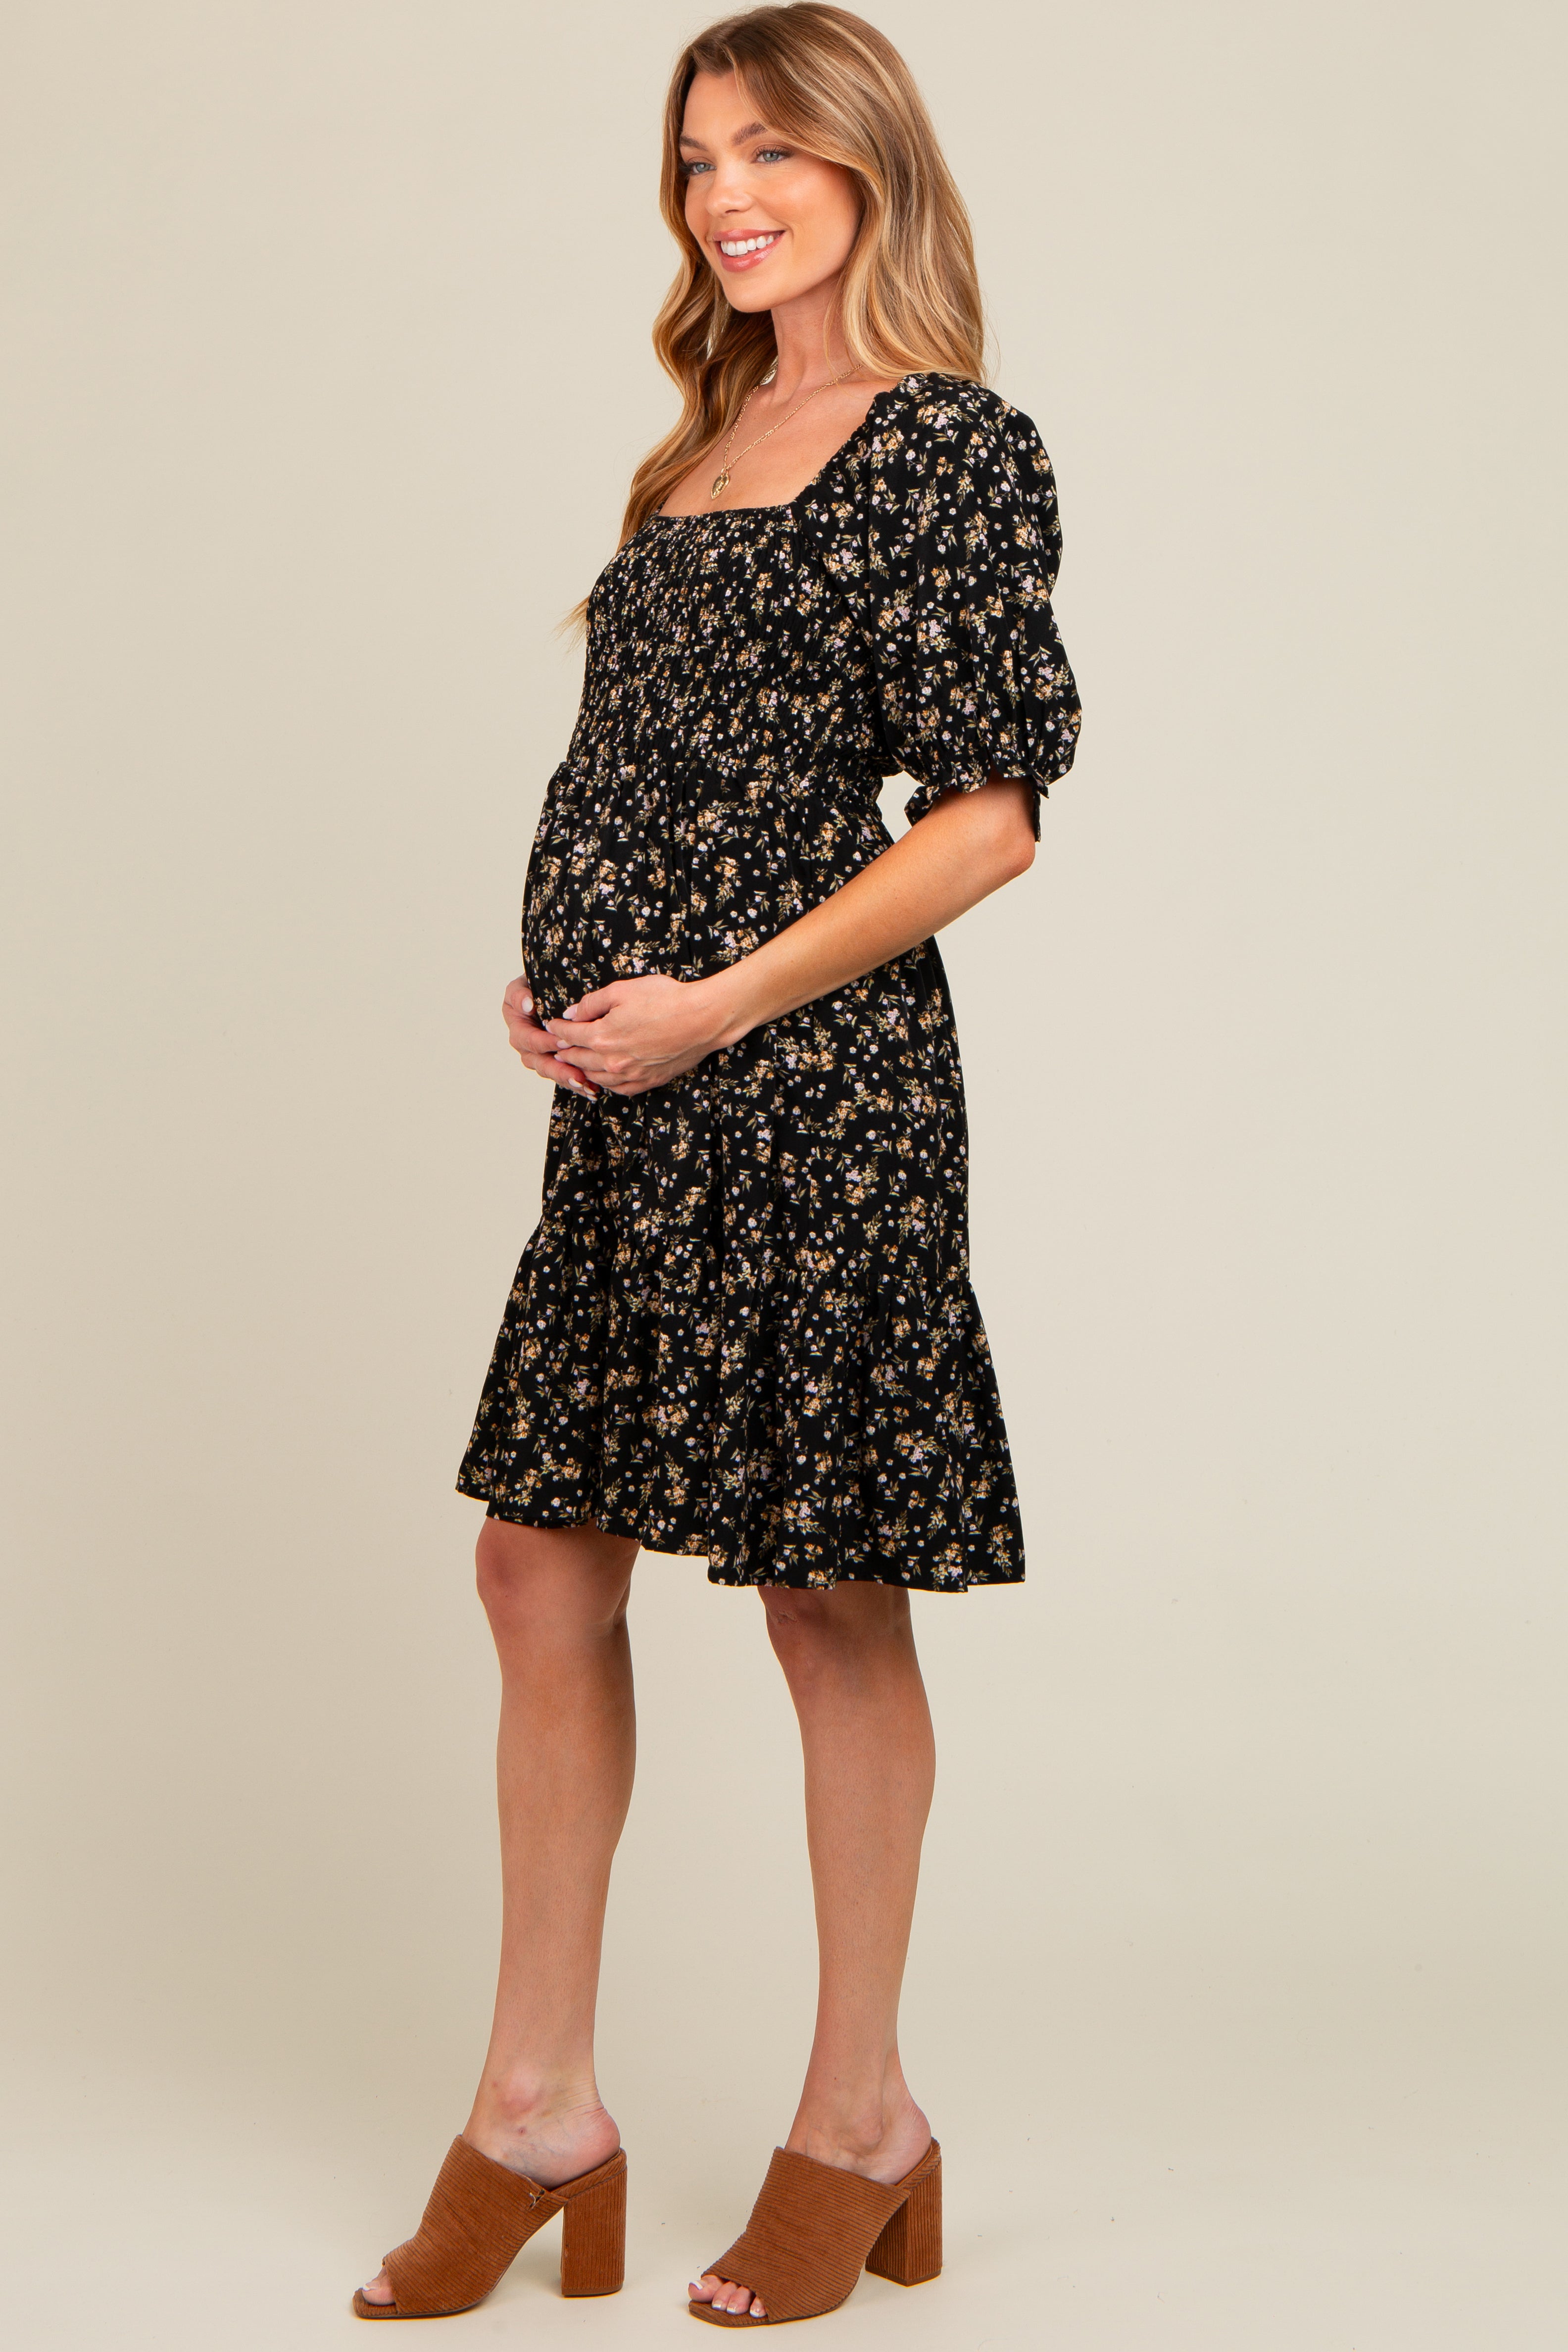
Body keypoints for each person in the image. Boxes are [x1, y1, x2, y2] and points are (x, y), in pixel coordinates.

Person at [354, 1, 1079, 2328]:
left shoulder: (946, 444)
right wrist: (567, 982)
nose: (727, 196)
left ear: (869, 163)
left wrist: (718, 1000)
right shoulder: (696, 447)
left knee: (822, 1596)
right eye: (695, 161)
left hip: (815, 1094)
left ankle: (862, 2123)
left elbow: (987, 823)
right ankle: (536, 2107)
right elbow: (656, 772)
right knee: (535, 1569)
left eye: (768, 149)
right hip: (633, 1097)